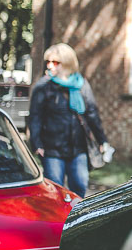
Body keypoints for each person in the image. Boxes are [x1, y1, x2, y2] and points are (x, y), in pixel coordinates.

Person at [28, 43, 110, 198]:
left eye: (55, 62)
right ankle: (57, 222)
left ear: (67, 63)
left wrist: (102, 140)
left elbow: (92, 114)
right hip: (52, 148)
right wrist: (37, 144)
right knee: (55, 192)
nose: (50, 65)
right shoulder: (44, 86)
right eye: (48, 61)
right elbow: (35, 117)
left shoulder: (80, 84)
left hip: (78, 148)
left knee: (79, 188)